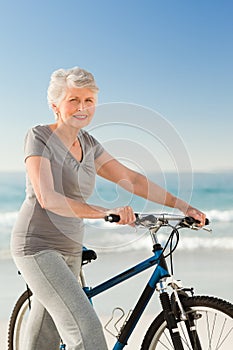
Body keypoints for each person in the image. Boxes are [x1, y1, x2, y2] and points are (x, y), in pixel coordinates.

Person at [11, 66, 206, 350]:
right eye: (74, 100)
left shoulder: (89, 144)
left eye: (89, 100)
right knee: (87, 332)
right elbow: (48, 198)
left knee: (44, 336)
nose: (82, 107)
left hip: (71, 249)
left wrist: (184, 205)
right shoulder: (39, 137)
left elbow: (133, 180)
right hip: (37, 247)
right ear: (55, 105)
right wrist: (103, 212)